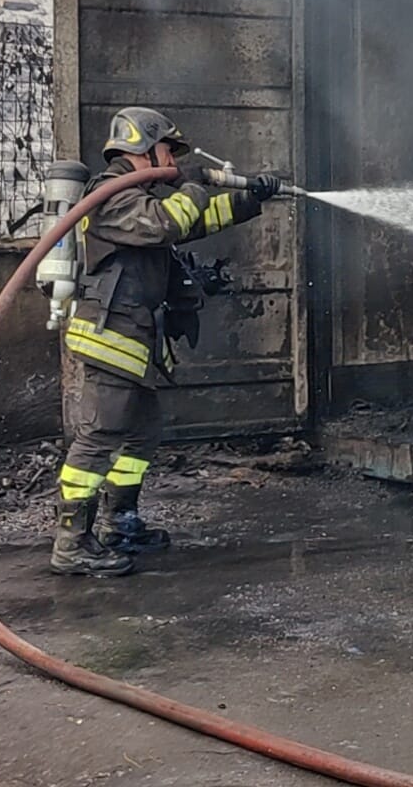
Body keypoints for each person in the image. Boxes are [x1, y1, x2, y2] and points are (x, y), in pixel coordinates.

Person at [51, 107, 287, 576]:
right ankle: (72, 542)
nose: (172, 161)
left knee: (141, 433)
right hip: (109, 337)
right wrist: (194, 182)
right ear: (142, 147)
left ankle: (122, 522)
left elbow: (193, 221)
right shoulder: (109, 197)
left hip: (134, 337)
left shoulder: (138, 196)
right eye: (167, 151)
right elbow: (168, 223)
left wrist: (248, 200)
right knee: (99, 437)